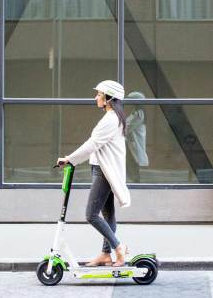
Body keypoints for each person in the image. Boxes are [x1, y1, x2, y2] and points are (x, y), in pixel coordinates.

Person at [57, 80, 131, 267]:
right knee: (108, 215)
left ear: (108, 98)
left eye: (99, 94)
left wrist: (70, 159)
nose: (96, 97)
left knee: (91, 214)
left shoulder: (111, 119)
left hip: (104, 172)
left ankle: (118, 247)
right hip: (103, 169)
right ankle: (106, 254)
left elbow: (92, 144)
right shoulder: (114, 118)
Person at [125, 91, 149, 183]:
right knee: (131, 161)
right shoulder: (136, 112)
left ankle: (135, 180)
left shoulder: (139, 113)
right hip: (131, 142)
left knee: (133, 161)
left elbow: (128, 126)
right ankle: (133, 179)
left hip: (134, 143)